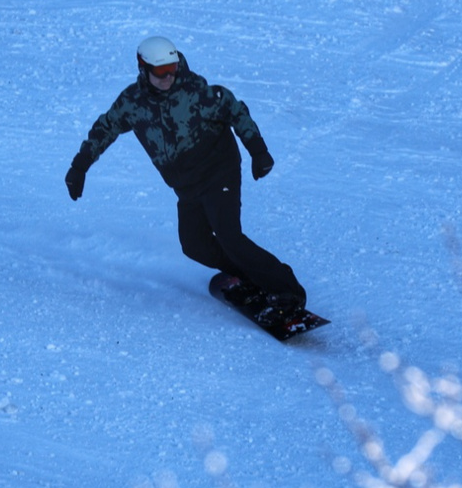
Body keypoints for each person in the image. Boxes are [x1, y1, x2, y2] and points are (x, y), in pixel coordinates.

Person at [65, 36, 306, 316]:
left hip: (219, 172)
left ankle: (287, 290)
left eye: (172, 68)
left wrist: (258, 150)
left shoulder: (197, 92)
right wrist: (79, 166)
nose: (168, 76)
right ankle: (251, 276)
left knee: (230, 236)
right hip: (186, 185)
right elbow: (104, 129)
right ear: (143, 68)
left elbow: (234, 109)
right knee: (194, 246)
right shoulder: (133, 102)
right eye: (160, 71)